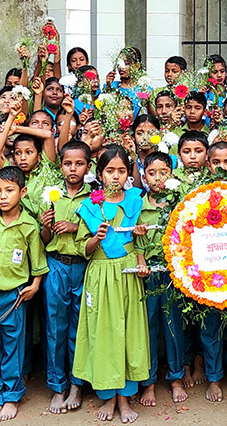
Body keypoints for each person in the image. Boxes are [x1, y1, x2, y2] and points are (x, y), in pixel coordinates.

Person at [72, 146, 149, 424]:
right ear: (99, 173)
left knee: (127, 331)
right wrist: (97, 237)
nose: (115, 176)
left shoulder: (135, 201)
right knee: (103, 332)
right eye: (109, 171)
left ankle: (125, 397)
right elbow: (83, 247)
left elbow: (141, 242)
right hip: (100, 274)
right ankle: (107, 395)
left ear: (129, 174)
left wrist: (141, 261)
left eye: (121, 170)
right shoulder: (91, 206)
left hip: (127, 272)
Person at [0, 166, 48, 422]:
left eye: (9, 191)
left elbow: (37, 261)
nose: (2, 196)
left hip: (12, 297)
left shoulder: (29, 226)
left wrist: (35, 284)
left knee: (12, 347)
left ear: (22, 192)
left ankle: (12, 396)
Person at [41, 142, 92, 414]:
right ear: (60, 165)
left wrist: (76, 227)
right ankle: (57, 385)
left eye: (79, 163)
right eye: (68, 163)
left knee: (78, 328)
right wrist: (45, 226)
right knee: (55, 328)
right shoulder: (53, 195)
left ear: (88, 166)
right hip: (56, 265)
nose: (73, 169)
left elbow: (98, 232)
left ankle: (77, 384)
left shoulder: (94, 199)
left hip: (83, 265)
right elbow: (46, 239)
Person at [135, 152, 188, 407]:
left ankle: (176, 378)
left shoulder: (179, 204)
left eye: (163, 173)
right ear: (143, 176)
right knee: (148, 328)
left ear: (172, 175)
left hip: (173, 273)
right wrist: (141, 262)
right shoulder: (138, 205)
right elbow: (135, 243)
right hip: (147, 274)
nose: (157, 178)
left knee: (173, 326)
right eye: (152, 173)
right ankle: (149, 382)